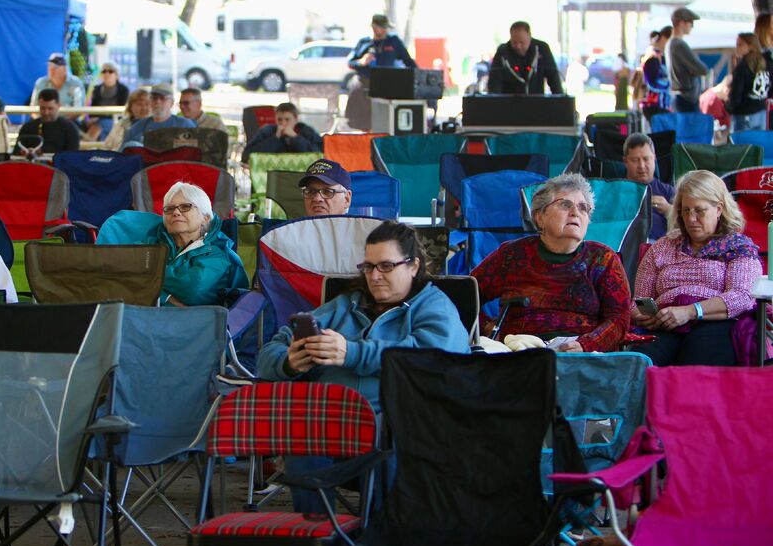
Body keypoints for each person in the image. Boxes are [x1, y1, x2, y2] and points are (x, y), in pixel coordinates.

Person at [258, 220, 467, 410]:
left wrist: (351, 353)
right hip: (320, 425)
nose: (375, 276)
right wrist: (289, 364)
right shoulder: (346, 305)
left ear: (413, 266)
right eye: (368, 267)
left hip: (398, 433)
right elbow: (269, 353)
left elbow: (432, 360)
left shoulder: (434, 307)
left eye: (386, 266)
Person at [471, 173, 631, 352]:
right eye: (565, 204)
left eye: (583, 208)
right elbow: (463, 296)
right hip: (518, 351)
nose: (575, 213)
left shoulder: (602, 259)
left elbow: (619, 317)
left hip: (578, 354)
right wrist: (490, 330)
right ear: (539, 217)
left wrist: (585, 345)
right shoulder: (511, 255)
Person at [631, 170, 760, 366]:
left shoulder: (738, 246)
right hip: (665, 325)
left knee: (694, 370)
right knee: (641, 366)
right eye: (685, 210)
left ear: (718, 209)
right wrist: (642, 316)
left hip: (715, 324)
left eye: (699, 211)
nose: (691, 219)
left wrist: (690, 311)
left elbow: (742, 296)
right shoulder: (663, 247)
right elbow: (639, 300)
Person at [96, 182, 248, 306]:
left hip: (193, 332)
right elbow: (118, 279)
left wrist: (149, 273)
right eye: (169, 209)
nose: (175, 212)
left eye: (185, 207)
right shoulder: (152, 242)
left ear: (205, 218)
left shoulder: (218, 254)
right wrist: (166, 298)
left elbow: (194, 290)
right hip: (142, 324)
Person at [345, 14, 417, 130]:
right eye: (381, 27)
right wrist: (361, 61)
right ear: (373, 27)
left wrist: (419, 75)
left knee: (385, 116)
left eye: (385, 28)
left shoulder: (393, 41)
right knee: (357, 92)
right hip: (365, 83)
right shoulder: (363, 43)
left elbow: (408, 61)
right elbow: (350, 62)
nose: (384, 30)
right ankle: (365, 131)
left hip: (386, 84)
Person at [487, 21, 564, 95]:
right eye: (514, 42)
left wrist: (561, 102)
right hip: (509, 104)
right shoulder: (502, 52)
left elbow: (554, 79)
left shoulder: (542, 49)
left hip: (536, 103)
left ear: (529, 36)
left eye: (522, 42)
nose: (518, 46)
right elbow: (494, 83)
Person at [623, 133, 675, 241]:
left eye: (646, 159)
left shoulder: (667, 192)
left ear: (654, 159)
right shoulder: (616, 192)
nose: (642, 166)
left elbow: (688, 226)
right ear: (625, 162)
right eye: (635, 160)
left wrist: (668, 210)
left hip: (660, 248)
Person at [240, 102, 323, 165]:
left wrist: (295, 138)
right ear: (275, 119)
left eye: (287, 120)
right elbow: (246, 156)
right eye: (279, 119)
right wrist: (275, 138)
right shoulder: (267, 131)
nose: (283, 123)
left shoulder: (306, 132)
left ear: (296, 119)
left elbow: (319, 155)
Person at [120, 83, 195, 148]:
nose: (158, 102)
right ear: (150, 101)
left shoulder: (185, 125)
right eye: (154, 98)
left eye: (163, 98)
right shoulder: (137, 128)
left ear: (171, 103)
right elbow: (124, 155)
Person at [726, 32, 769, 132]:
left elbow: (736, 95)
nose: (737, 48)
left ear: (751, 47)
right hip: (761, 112)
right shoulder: (764, 64)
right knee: (758, 146)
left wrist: (728, 106)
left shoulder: (743, 67)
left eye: (740, 45)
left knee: (742, 147)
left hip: (744, 113)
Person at [666, 7, 707, 113]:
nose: (692, 26)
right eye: (690, 22)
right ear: (681, 23)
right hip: (686, 99)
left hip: (680, 97)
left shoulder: (670, 44)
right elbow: (702, 69)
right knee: (690, 129)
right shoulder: (679, 45)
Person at [17, 87, 80, 155]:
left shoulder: (69, 129)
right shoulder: (28, 127)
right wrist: (24, 152)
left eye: (50, 108)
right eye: (43, 108)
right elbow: (16, 153)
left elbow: (72, 155)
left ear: (58, 106)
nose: (46, 112)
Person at [84, 61, 130, 140]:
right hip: (97, 121)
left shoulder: (124, 90)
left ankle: (86, 146)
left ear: (116, 75)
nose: (107, 74)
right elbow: (92, 111)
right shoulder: (96, 89)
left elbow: (123, 111)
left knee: (99, 125)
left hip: (116, 121)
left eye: (110, 71)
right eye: (104, 71)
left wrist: (100, 119)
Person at [639, 26, 672, 117]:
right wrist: (670, 85)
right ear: (665, 39)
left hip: (662, 105)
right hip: (655, 105)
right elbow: (652, 82)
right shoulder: (653, 57)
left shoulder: (661, 56)